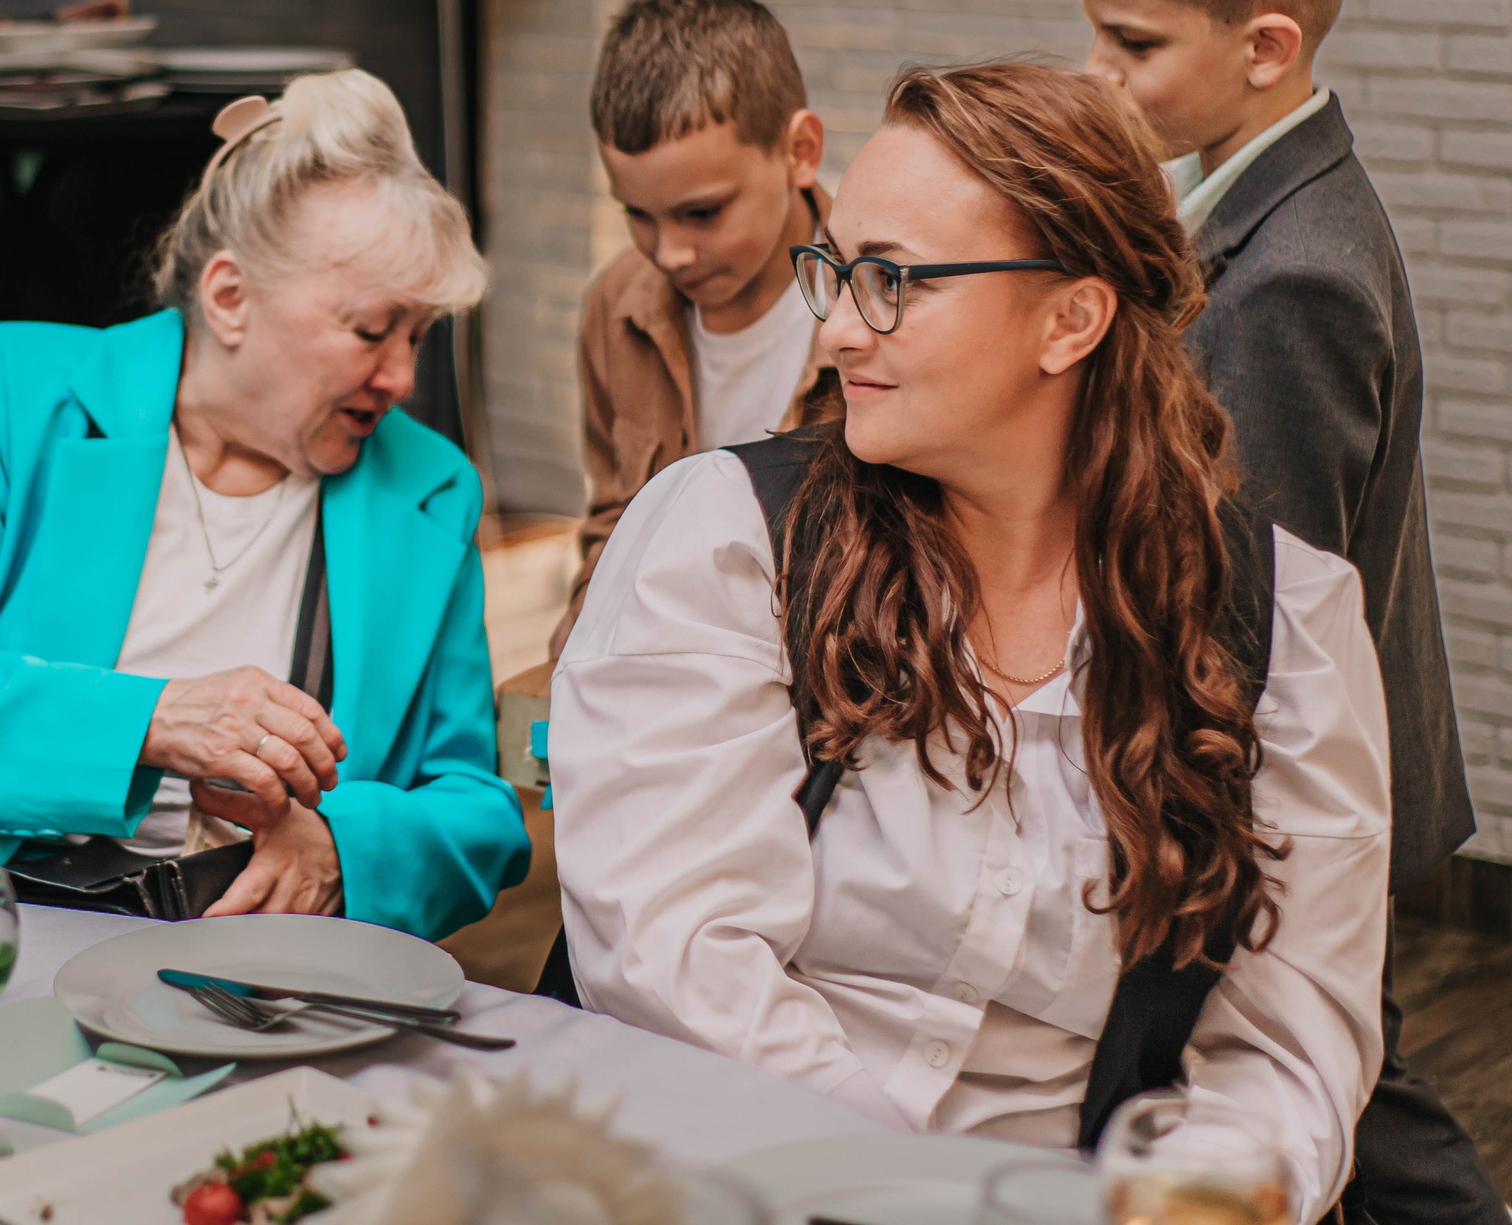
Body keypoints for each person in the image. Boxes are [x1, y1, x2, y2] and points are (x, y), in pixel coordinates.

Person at [553, 62, 1391, 1221]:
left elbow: (1288, 1046)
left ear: (1071, 319)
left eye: (892, 280)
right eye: (836, 271)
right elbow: (673, 962)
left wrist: (1187, 1197)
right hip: (725, 1180)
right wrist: (926, 1202)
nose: (838, 327)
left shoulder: (1283, 621)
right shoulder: (726, 540)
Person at [0, 70, 527, 940]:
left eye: (418, 335)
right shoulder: (20, 395)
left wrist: (338, 845)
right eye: (371, 330)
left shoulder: (430, 487)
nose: (401, 377)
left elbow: (479, 812)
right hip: (3, 931)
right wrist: (152, 721)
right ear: (230, 298)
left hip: (268, 964)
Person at [1066, 0, 1494, 1225]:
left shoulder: (1292, 277)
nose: (1098, 71)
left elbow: (1270, 601)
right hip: (1295, 771)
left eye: (1133, 46)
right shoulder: (1240, 192)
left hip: (1293, 781)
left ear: (1266, 47)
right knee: (1337, 1070)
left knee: (1343, 1082)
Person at [550, 0, 833, 659]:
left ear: (800, 151)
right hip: (667, 678)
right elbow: (615, 521)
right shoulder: (616, 307)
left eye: (702, 213)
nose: (671, 252)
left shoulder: (877, 305)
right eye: (638, 215)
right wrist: (580, 650)